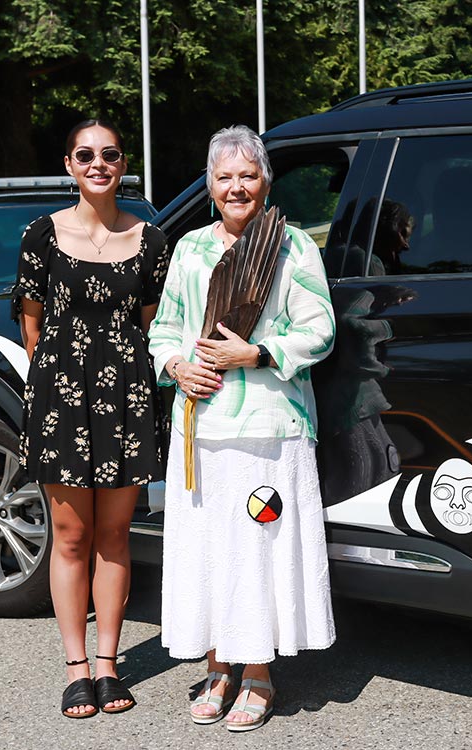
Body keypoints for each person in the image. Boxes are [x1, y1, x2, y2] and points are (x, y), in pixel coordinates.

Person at [148, 124, 336, 732]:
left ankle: (257, 672)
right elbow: (164, 330)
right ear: (208, 185)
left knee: (257, 549)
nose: (236, 187)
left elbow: (320, 330)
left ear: (266, 182)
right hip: (200, 430)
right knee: (206, 550)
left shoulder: (294, 249)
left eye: (248, 176)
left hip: (268, 430)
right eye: (224, 177)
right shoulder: (191, 250)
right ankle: (216, 664)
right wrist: (178, 366)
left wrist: (253, 355)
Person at [12, 119, 170, 719]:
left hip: (127, 397)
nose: (98, 163)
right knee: (72, 536)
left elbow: (153, 322)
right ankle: (76, 667)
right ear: (69, 164)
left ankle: (109, 664)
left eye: (109, 154)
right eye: (86, 154)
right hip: (60, 398)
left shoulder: (151, 240)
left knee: (113, 536)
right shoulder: (41, 234)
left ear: (122, 163)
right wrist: (59, 380)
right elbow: (30, 323)